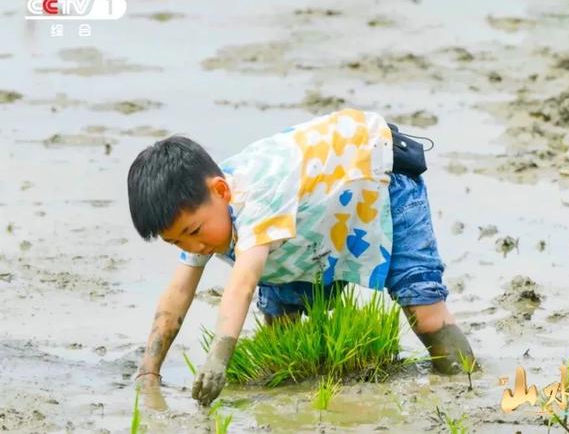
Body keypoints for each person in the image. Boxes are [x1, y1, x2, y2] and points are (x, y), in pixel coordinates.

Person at [127, 108, 475, 406]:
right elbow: (178, 293)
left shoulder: (259, 195)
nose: (193, 247)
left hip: (380, 181)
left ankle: (467, 387)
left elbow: (241, 286)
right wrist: (149, 370)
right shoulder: (203, 213)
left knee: (423, 306)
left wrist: (219, 359)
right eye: (176, 243)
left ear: (221, 190)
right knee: (282, 334)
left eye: (193, 232)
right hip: (313, 222)